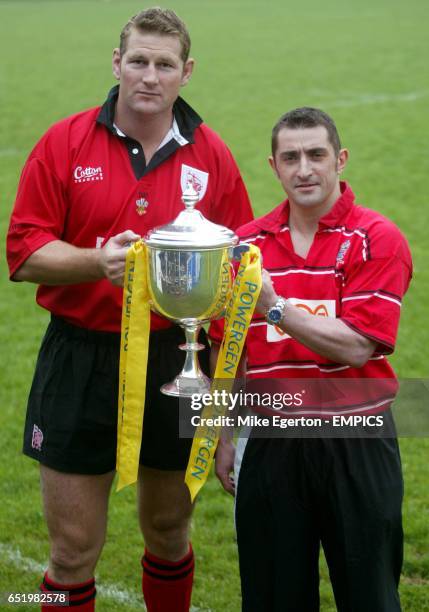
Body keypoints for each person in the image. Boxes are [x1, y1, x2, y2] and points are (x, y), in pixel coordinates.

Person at [6, 8, 253, 612]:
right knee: (70, 552)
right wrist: (96, 264)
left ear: (185, 72)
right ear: (117, 64)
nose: (149, 75)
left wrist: (233, 411)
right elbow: (23, 250)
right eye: (138, 60)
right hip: (81, 356)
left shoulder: (212, 155)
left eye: (164, 64)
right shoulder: (64, 142)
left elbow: (237, 284)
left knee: (170, 536)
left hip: (180, 358)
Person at [211, 107, 412, 611]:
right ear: (273, 167)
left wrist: (274, 307)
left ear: (340, 159)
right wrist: (221, 435)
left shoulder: (376, 239)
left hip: (357, 440)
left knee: (370, 597)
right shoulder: (243, 248)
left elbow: (356, 345)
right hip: (273, 444)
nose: (304, 169)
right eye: (291, 157)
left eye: (316, 155)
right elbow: (224, 350)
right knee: (275, 597)